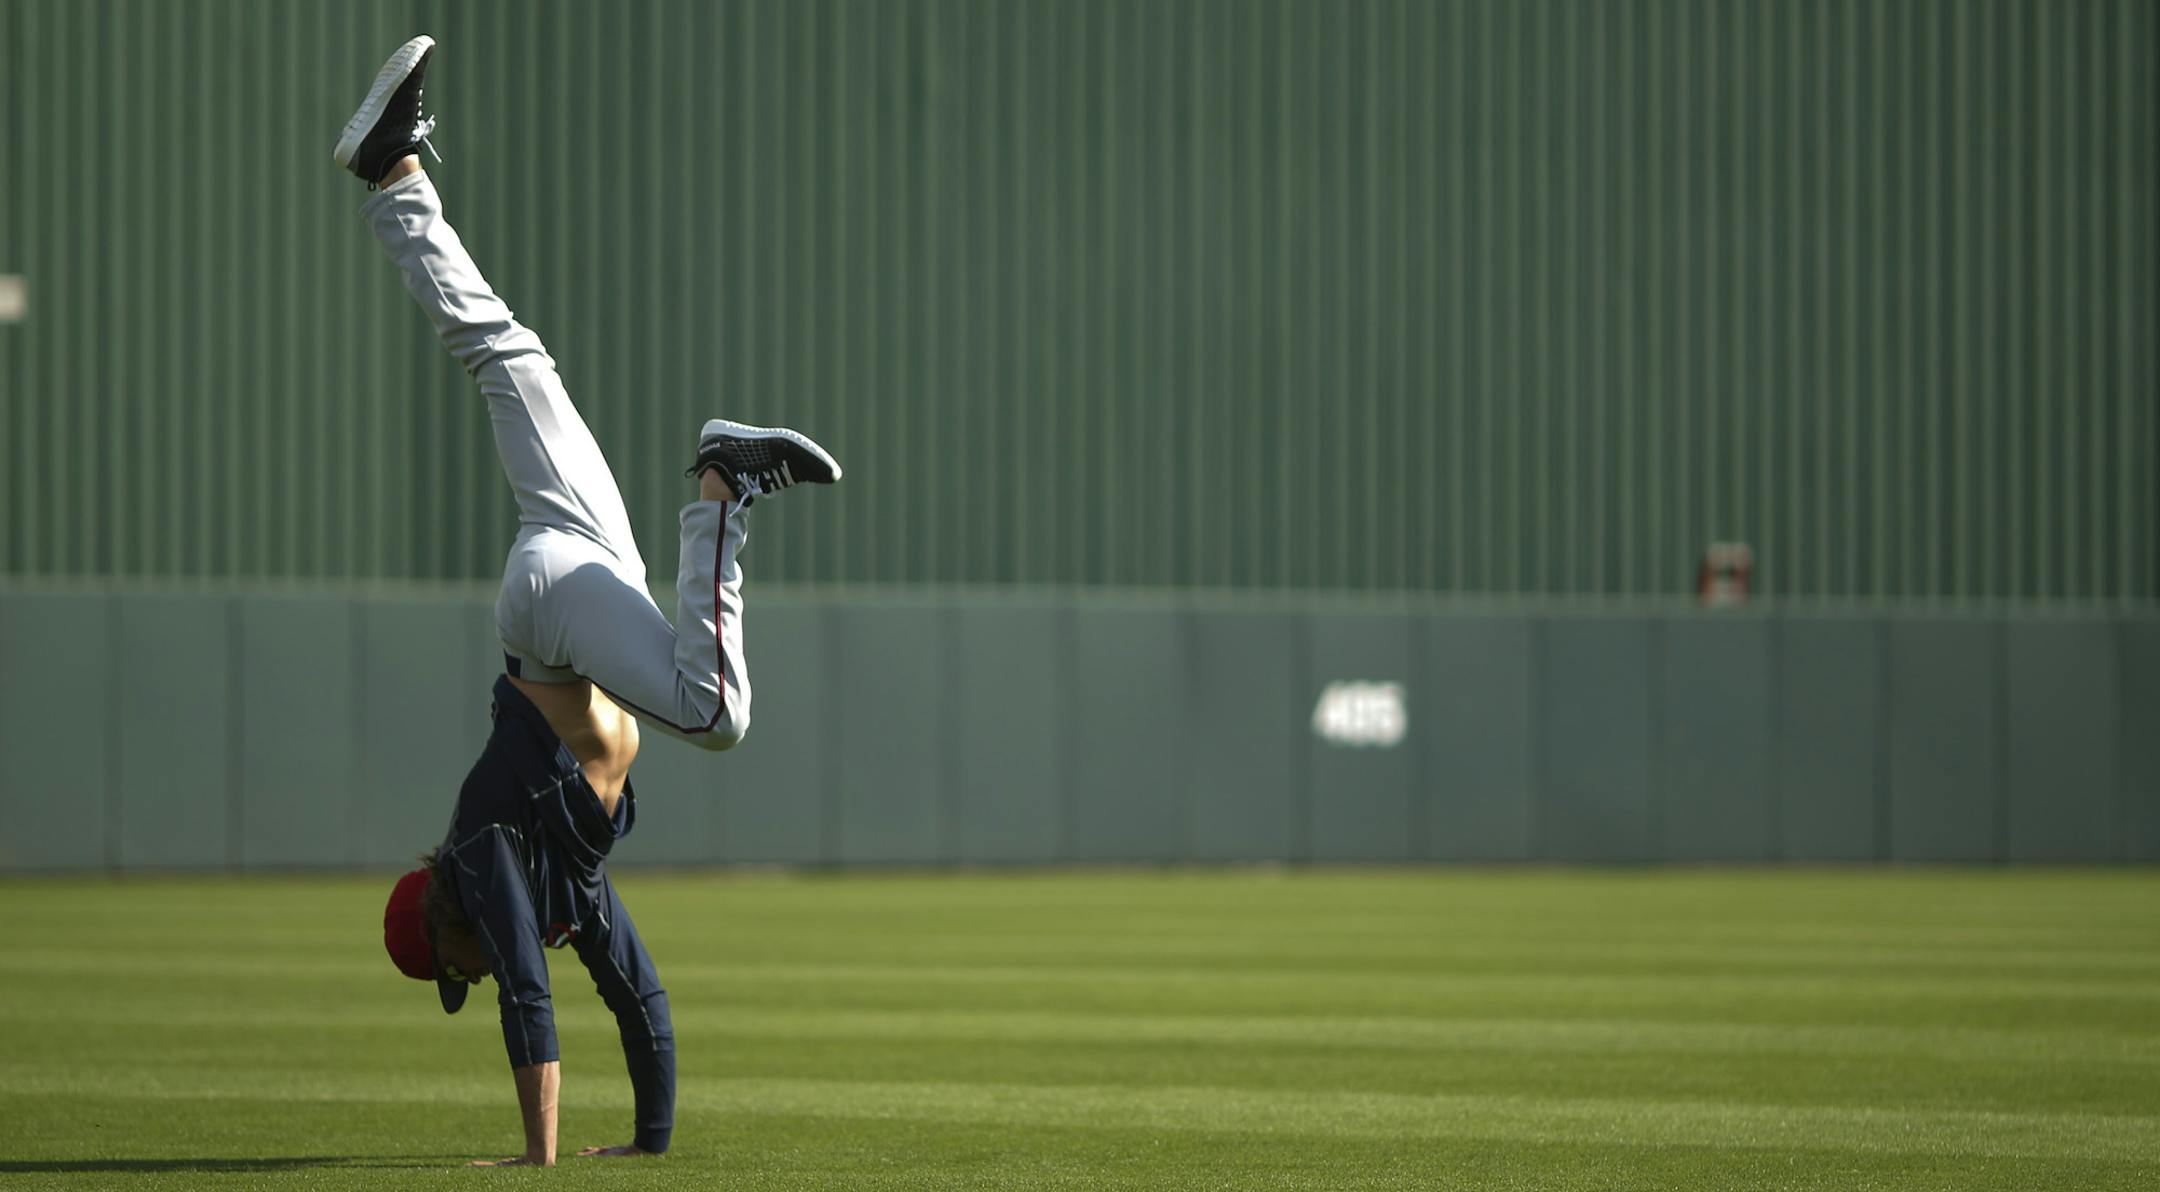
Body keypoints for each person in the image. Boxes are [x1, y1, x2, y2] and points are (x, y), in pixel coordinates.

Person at [344, 35, 841, 1167]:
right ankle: (394, 177)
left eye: (446, 968)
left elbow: (525, 988)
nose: (463, 975)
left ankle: (722, 486)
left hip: (555, 619)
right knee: (507, 355)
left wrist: (540, 1157)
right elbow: (639, 997)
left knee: (713, 714)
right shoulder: (565, 884)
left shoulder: (478, 852)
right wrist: (648, 1143)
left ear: (438, 924)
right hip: (582, 581)